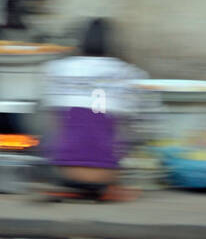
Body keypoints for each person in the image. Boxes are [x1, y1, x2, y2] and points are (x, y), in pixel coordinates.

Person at [39, 18, 147, 200]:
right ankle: (105, 187)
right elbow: (140, 124)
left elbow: (48, 119)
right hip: (107, 174)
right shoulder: (129, 73)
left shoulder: (56, 69)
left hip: (64, 171)